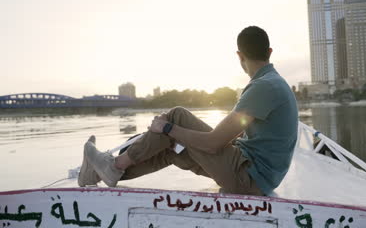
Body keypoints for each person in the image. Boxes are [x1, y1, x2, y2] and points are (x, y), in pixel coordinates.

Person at [78, 26, 298, 196]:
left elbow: (213, 144)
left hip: (248, 178)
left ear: (239, 56)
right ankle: (98, 173)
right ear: (269, 52)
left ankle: (114, 164)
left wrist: (166, 126)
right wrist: (170, 135)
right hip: (249, 174)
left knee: (177, 116)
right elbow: (232, 135)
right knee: (170, 148)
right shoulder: (270, 82)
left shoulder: (265, 86)